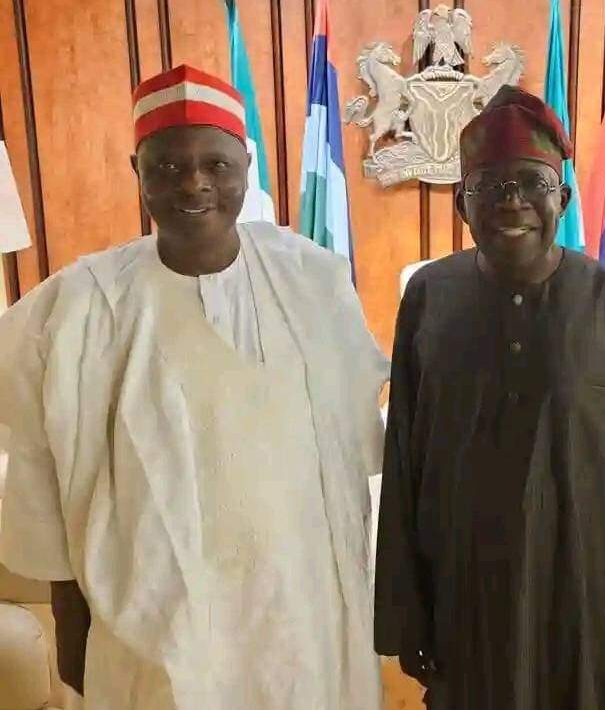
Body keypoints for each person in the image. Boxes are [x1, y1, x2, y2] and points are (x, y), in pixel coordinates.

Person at [0, 64, 388, 710]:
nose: (194, 183)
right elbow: (41, 469)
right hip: (158, 618)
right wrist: (69, 621)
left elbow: (355, 449)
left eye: (216, 164)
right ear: (137, 171)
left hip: (302, 610)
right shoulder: (80, 308)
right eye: (168, 167)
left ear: (247, 165)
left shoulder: (312, 283)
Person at [374, 85, 605, 710]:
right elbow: (405, 459)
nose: (511, 201)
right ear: (462, 204)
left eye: (531, 184)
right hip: (464, 595)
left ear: (562, 200)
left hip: (581, 597)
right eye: (489, 186)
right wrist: (408, 613)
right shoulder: (429, 298)